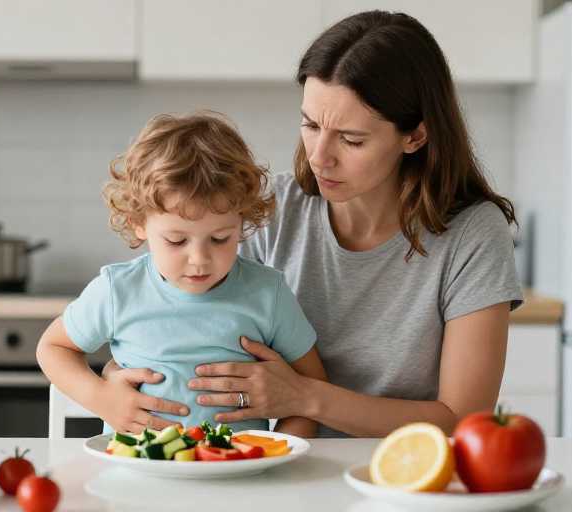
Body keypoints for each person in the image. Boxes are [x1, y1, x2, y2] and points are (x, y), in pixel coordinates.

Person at [100, 10, 523, 438]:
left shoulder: (473, 234)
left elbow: (463, 420)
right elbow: (181, 318)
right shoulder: (273, 210)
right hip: (278, 473)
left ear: (414, 136)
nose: (320, 156)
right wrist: (120, 375)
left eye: (351, 139)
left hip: (405, 479)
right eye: (310, 124)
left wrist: (305, 397)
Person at [36, 111, 326, 437]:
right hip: (141, 474)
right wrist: (102, 399)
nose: (200, 260)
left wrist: (281, 450)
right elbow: (53, 348)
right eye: (176, 240)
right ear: (138, 222)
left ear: (242, 220)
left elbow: (311, 386)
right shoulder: (118, 290)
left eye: (220, 238)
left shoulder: (267, 292)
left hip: (240, 479)